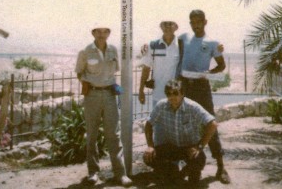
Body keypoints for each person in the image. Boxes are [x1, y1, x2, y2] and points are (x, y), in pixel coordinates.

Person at [75, 24, 132, 187]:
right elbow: (79, 72)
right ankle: (93, 173)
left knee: (113, 134)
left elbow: (114, 71)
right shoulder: (85, 51)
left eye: (105, 31)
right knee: (92, 134)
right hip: (92, 95)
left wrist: (109, 85)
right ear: (93, 33)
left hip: (109, 95)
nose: (101, 34)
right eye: (98, 31)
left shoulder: (113, 50)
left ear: (109, 33)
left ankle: (120, 174)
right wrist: (89, 84)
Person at [178, 9, 231, 184]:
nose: (195, 25)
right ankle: (190, 165)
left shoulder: (212, 42)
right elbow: (169, 46)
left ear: (205, 22)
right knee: (185, 123)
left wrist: (208, 73)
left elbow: (221, 65)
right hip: (185, 86)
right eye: (192, 21)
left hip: (202, 87)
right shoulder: (184, 38)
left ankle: (221, 166)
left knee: (209, 123)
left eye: (198, 21)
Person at [143, 79, 218, 185]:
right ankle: (172, 172)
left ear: (182, 94)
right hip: (172, 147)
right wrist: (150, 146)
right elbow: (148, 124)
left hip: (190, 148)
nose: (172, 97)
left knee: (199, 160)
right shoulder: (161, 105)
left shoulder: (192, 107)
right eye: (169, 94)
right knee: (149, 157)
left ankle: (188, 173)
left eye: (175, 93)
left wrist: (199, 146)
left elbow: (212, 124)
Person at [138, 20, 180, 108]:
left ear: (176, 27)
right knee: (157, 121)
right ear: (161, 27)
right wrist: (141, 90)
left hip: (176, 95)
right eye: (164, 24)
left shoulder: (181, 46)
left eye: (170, 24)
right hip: (157, 95)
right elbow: (146, 68)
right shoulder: (153, 46)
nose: (167, 26)